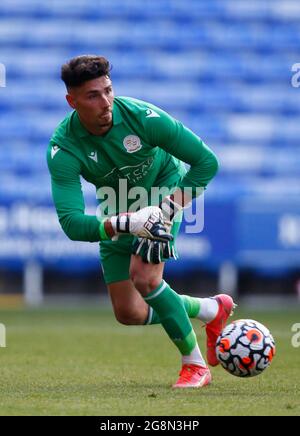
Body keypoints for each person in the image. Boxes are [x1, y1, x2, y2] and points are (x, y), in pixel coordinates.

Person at [47, 55, 236, 389]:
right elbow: (72, 223)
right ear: (71, 101)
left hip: (164, 191)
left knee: (145, 279)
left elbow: (206, 162)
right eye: (93, 95)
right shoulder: (63, 147)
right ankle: (209, 309)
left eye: (108, 90)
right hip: (119, 206)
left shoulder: (142, 117)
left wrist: (164, 210)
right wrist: (125, 222)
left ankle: (195, 366)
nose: (106, 102)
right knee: (129, 312)